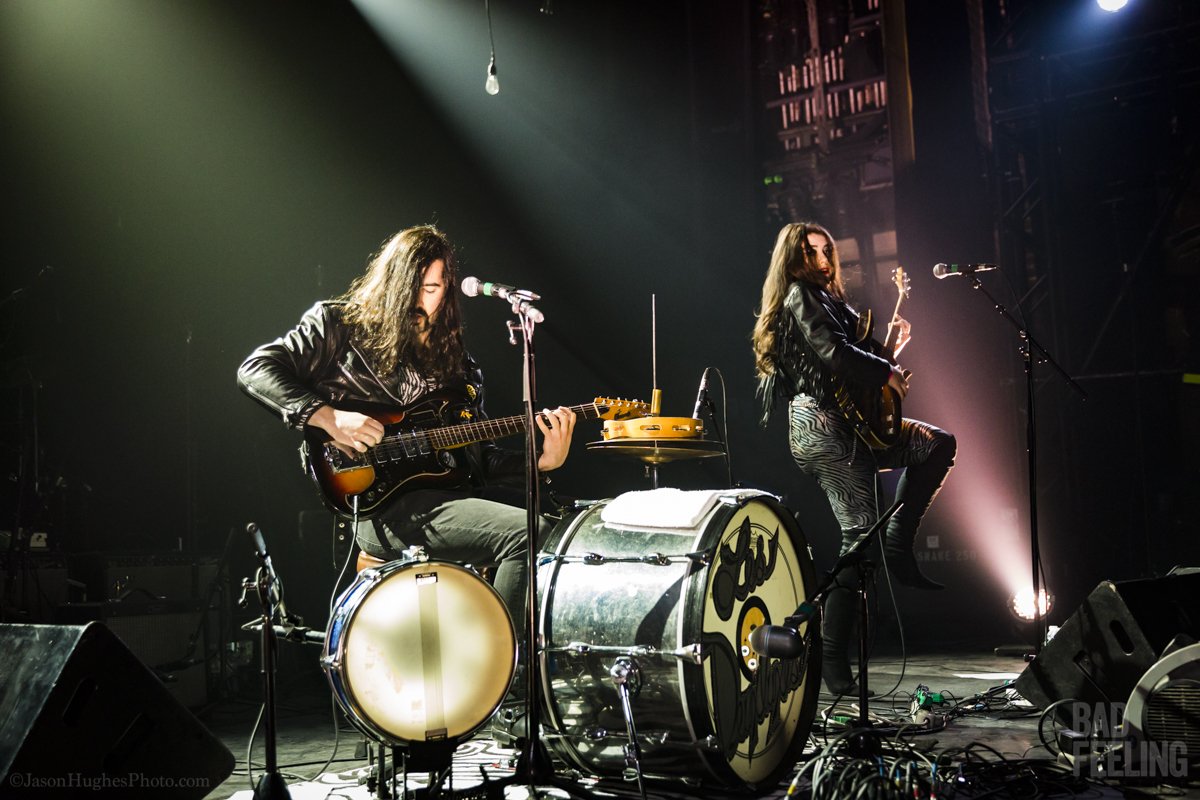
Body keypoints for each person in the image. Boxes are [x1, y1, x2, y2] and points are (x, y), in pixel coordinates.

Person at [236, 224, 577, 639]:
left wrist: (540, 462)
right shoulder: (338, 324)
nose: (420, 299)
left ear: (447, 291)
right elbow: (256, 369)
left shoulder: (459, 365)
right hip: (379, 503)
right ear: (392, 281)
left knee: (544, 528)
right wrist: (330, 417)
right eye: (413, 286)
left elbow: (479, 459)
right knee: (528, 534)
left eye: (432, 288)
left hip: (443, 501)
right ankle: (504, 666)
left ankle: (490, 658)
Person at [751, 221, 956, 695]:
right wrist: (885, 370)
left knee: (937, 444)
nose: (824, 261)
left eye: (828, 251)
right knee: (860, 535)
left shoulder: (830, 300)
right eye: (812, 252)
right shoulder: (799, 296)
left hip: (855, 421)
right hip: (821, 426)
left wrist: (892, 349)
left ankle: (899, 543)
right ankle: (830, 655)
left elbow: (854, 359)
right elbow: (834, 355)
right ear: (793, 258)